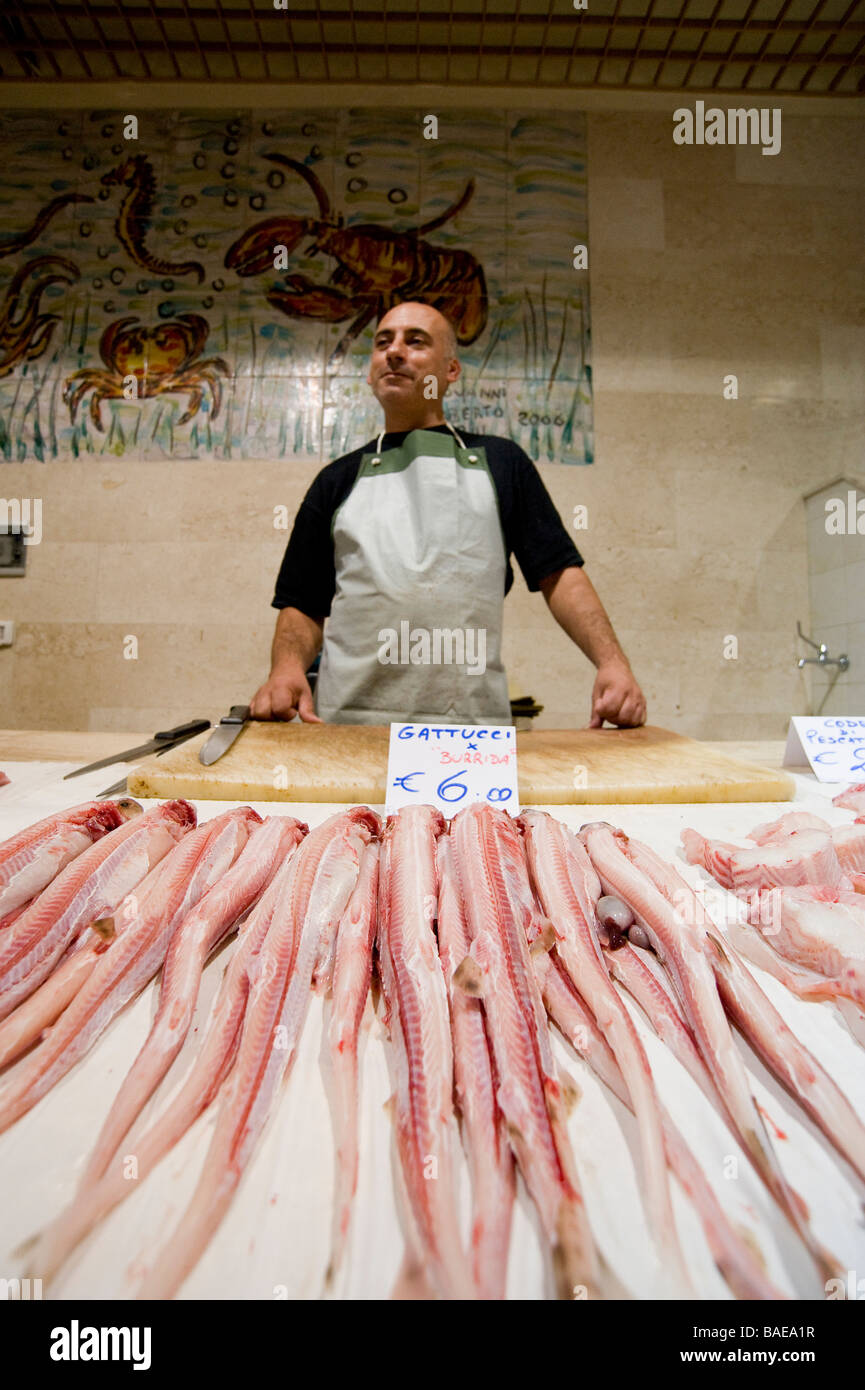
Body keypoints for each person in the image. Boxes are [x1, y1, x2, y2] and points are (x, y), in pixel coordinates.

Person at [250, 301, 646, 728]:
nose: (395, 351)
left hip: (470, 733)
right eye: (383, 342)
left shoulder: (502, 462)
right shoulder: (335, 481)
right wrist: (286, 670)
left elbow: (559, 574)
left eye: (415, 341)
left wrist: (612, 663)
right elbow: (302, 602)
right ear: (370, 372)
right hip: (348, 726)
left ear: (451, 371)